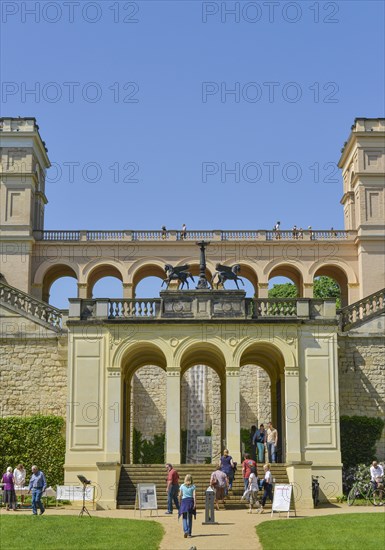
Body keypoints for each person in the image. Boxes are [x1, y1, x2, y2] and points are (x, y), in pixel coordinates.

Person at [178, 474, 196, 539]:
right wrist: (195, 503)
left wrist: (180, 502)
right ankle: (189, 533)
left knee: (184, 517)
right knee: (190, 518)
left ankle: (185, 530)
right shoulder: (193, 486)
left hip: (184, 501)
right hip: (190, 501)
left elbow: (180, 495)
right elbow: (194, 495)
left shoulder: (182, 486)